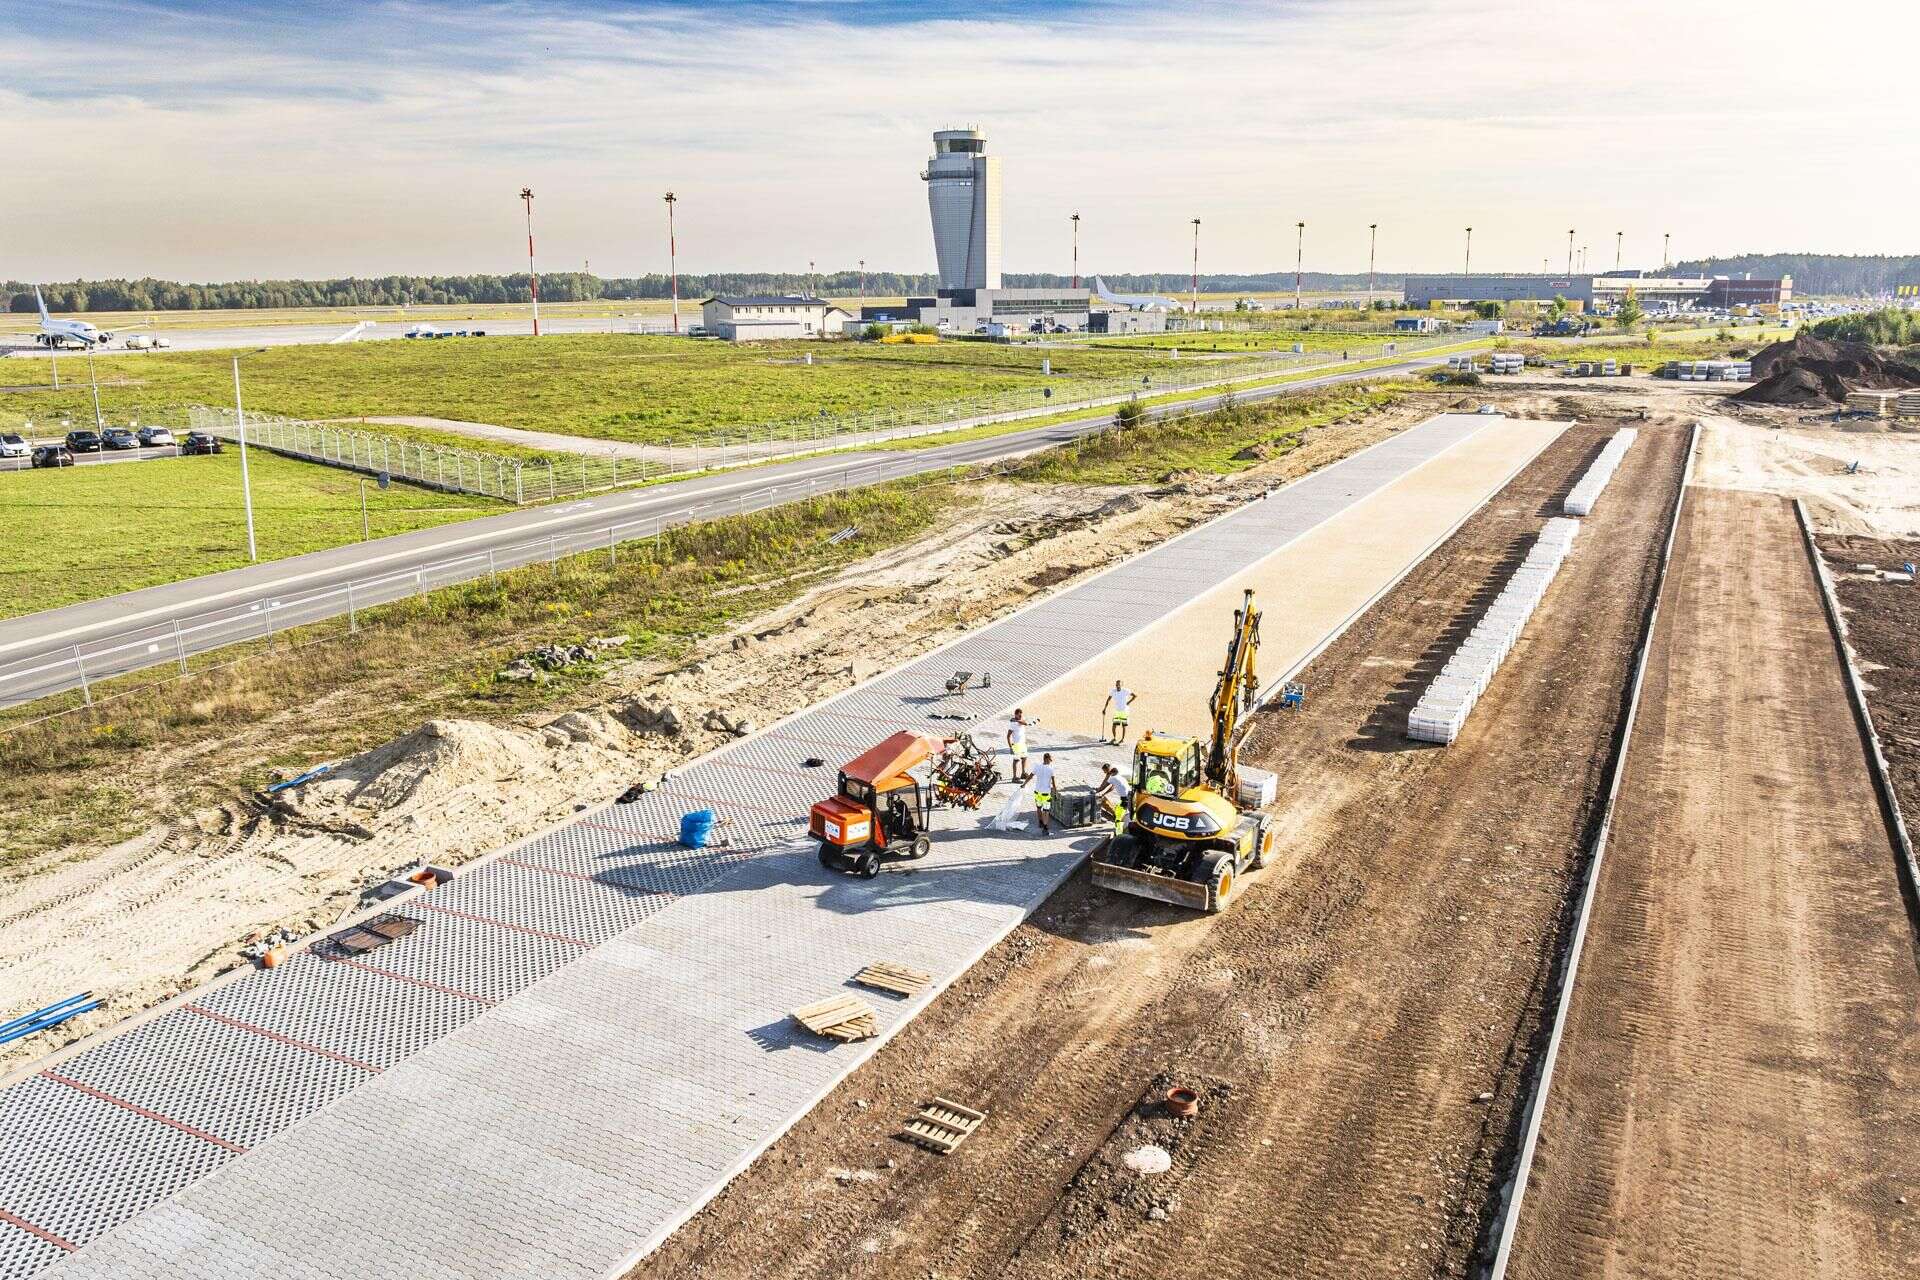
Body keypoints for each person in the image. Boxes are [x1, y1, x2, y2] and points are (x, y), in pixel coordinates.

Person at [1095, 762, 1130, 838]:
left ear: (1110, 772)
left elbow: (1106, 786)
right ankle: (1125, 826)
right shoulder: (1118, 776)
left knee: (1117, 817)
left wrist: (1098, 792)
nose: (1106, 774)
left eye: (1106, 772)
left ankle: (1119, 835)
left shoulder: (1113, 778)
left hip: (1125, 799)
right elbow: (1110, 785)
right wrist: (1102, 793)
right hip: (1129, 796)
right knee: (1123, 813)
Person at [1101, 680, 1135, 745]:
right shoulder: (1113, 691)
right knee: (1114, 725)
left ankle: (1122, 740)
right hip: (1117, 711)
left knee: (1124, 726)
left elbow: (1135, 696)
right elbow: (1108, 699)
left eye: (1119, 685)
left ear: (1122, 685)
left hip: (1124, 711)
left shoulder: (1126, 690)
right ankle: (1114, 738)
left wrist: (1128, 702)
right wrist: (1104, 708)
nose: (1117, 686)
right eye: (1116, 684)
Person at [1030, 752, 1056, 835]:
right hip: (1046, 794)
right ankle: (1045, 827)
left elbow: (1030, 776)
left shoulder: (1037, 767)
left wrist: (1023, 784)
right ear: (1047, 759)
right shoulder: (1051, 769)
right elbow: (1054, 783)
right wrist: (1055, 793)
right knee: (1046, 811)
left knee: (1038, 808)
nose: (1050, 761)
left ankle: (1040, 822)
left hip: (1037, 792)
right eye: (1050, 760)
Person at [1006, 709, 1030, 784]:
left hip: (1022, 744)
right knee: (1016, 761)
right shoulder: (1012, 724)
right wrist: (1010, 747)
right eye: (1019, 715)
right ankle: (1014, 777)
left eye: (1021, 715)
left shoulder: (1019, 721)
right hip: (1016, 745)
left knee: (1024, 758)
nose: (1020, 716)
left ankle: (1023, 773)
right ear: (1015, 714)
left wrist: (1018, 721)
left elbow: (1026, 723)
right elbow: (1008, 736)